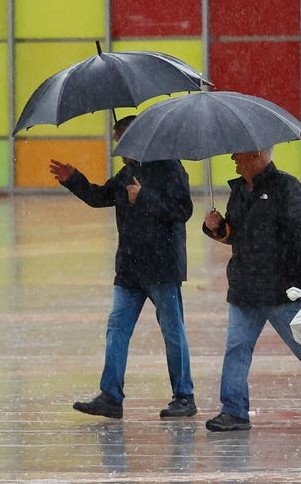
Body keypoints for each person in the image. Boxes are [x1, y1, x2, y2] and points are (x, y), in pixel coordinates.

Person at [49, 115, 196, 420]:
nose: (118, 146)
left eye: (123, 139)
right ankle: (110, 397)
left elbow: (182, 210)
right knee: (117, 328)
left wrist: (144, 197)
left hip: (162, 268)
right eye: (117, 139)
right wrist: (74, 179)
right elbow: (100, 197)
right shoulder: (126, 173)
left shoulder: (170, 167)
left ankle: (184, 396)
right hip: (129, 269)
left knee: (172, 331)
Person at [202, 148, 301, 431]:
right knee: (236, 347)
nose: (233, 159)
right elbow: (234, 235)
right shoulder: (239, 191)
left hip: (280, 288)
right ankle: (234, 411)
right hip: (244, 288)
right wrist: (217, 227)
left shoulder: (287, 188)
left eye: (238, 154)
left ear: (256, 154)